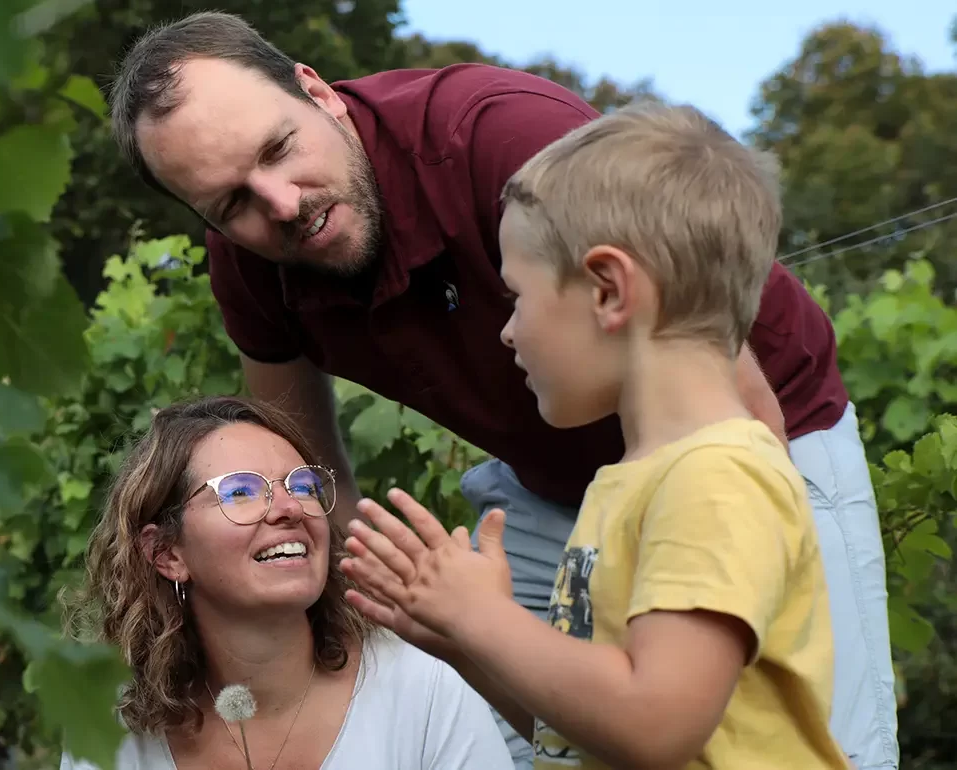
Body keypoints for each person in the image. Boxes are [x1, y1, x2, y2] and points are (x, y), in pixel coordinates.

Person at [105, 11, 895, 769]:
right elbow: (306, 462)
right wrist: (450, 630)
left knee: (813, 728)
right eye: (232, 204)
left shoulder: (502, 142)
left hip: (760, 430)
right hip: (577, 475)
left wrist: (760, 546)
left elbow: (731, 420)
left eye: (278, 149)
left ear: (316, 89)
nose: (280, 204)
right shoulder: (251, 265)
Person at [339, 101, 845, 768]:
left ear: (608, 291)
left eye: (517, 295)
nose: (507, 329)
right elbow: (580, 734)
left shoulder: (717, 477)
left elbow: (656, 726)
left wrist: (484, 618)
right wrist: (465, 641)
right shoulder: (632, 482)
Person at [56, 396, 511, 769]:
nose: (290, 507)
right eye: (240, 491)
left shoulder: (422, 686)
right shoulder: (114, 731)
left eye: (303, 485)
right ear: (166, 554)